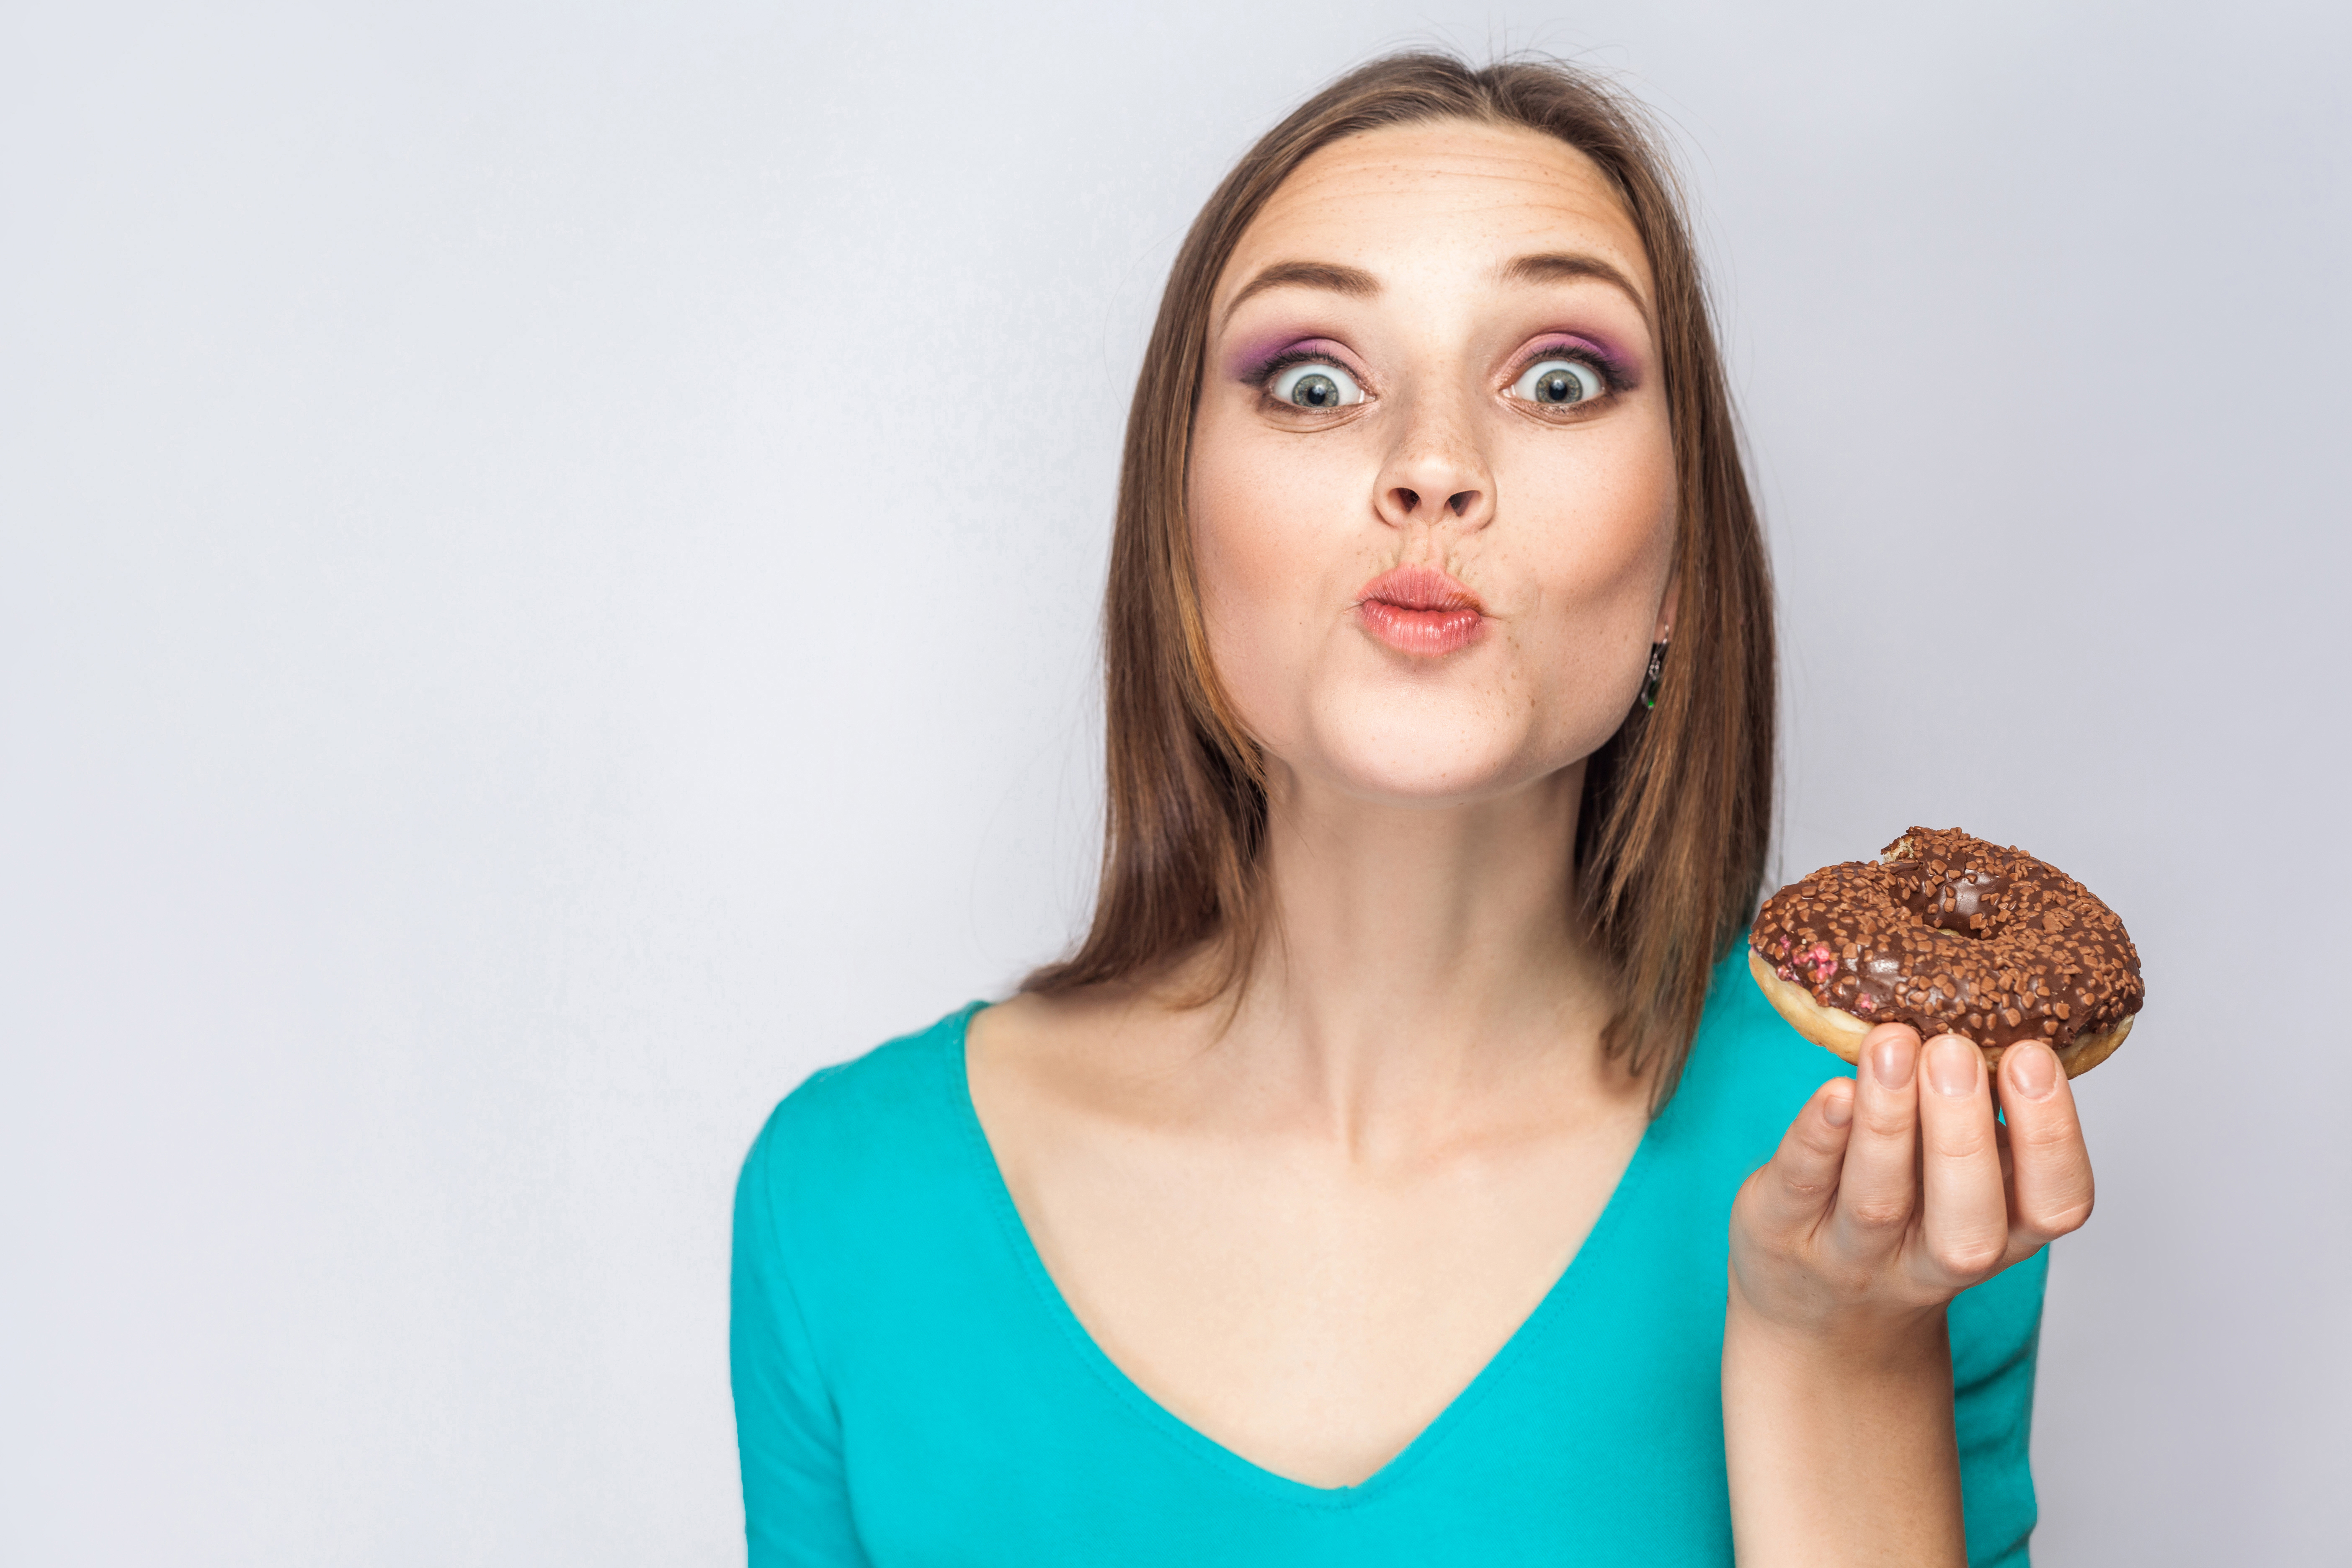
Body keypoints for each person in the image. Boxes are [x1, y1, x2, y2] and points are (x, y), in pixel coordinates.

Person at [730, 51, 2092, 1567]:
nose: (1432, 466)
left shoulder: (1887, 1174)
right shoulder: (853, 1207)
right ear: (1178, 547)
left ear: (1680, 577)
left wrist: (1829, 1354)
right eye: (1314, 381)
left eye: (1558, 378)